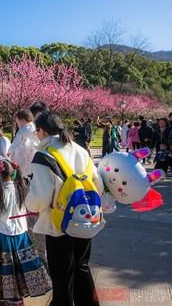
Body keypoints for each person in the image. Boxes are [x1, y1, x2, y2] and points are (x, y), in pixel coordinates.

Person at [26, 111, 103, 306]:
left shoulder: (44, 155)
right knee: (81, 266)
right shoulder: (80, 150)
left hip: (58, 223)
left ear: (42, 131)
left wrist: (30, 205)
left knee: (61, 274)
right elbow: (98, 185)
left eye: (37, 131)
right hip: (85, 218)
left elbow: (39, 198)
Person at [0, 160, 52, 306]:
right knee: (21, 266)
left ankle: (12, 298)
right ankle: (21, 293)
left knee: (7, 268)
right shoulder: (22, 189)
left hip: (4, 237)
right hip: (21, 235)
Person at [7, 109, 44, 262]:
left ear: (20, 119)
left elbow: (10, 153)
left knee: (31, 218)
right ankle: (41, 253)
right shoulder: (36, 132)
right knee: (36, 217)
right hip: (37, 179)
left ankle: (36, 254)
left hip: (27, 180)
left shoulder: (23, 132)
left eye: (16, 121)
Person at [8, 109, 38, 178]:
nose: (18, 125)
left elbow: (15, 142)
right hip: (33, 155)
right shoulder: (35, 128)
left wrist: (9, 151)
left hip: (23, 156)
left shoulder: (23, 130)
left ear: (23, 120)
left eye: (17, 122)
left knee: (22, 173)